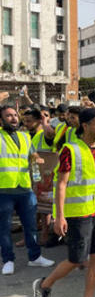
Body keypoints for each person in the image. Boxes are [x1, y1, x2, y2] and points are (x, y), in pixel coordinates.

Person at [33, 108, 95, 297]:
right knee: (76, 259)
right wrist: (59, 216)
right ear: (85, 126)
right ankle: (44, 285)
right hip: (77, 213)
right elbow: (61, 184)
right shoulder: (71, 149)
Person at [0, 106, 54, 275]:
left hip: (25, 189)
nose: (14, 118)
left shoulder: (24, 137)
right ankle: (8, 260)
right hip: (4, 190)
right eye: (8, 116)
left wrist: (37, 164)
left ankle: (35, 257)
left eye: (15, 115)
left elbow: (32, 158)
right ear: (1, 120)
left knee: (30, 226)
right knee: (4, 228)